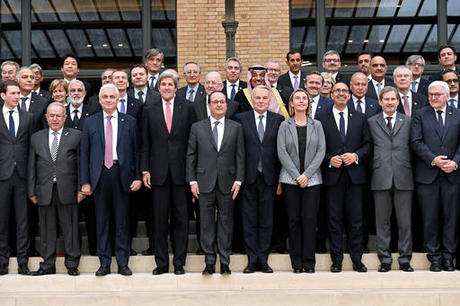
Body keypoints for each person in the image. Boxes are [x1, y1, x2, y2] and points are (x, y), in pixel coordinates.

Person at [80, 84, 142, 276]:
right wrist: (85, 181)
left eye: (112, 97)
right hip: (99, 177)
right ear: (99, 100)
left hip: (121, 174)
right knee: (102, 221)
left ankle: (123, 263)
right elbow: (84, 153)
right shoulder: (90, 122)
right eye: (104, 97)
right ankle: (104, 263)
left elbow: (137, 151)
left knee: (122, 221)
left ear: (117, 100)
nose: (108, 100)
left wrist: (138, 176)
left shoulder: (129, 121)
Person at [186, 91, 245, 275]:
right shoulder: (197, 127)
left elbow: (240, 156)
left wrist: (239, 180)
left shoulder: (236, 127)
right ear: (209, 105)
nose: (219, 105)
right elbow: (190, 155)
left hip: (228, 182)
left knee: (226, 222)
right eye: (215, 102)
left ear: (226, 105)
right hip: (203, 182)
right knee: (206, 223)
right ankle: (210, 261)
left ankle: (225, 261)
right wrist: (192, 181)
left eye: (222, 102)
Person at [141, 72, 192, 275]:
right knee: (159, 220)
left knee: (181, 220)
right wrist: (145, 169)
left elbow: (192, 142)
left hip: (181, 173)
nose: (167, 87)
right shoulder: (149, 109)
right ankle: (161, 264)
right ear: (159, 87)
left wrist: (192, 172)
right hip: (158, 173)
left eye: (170, 84)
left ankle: (179, 263)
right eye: (163, 84)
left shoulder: (187, 107)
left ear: (176, 87)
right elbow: (145, 142)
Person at [316, 82, 371, 273]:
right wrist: (330, 159)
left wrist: (356, 156)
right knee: (334, 220)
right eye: (337, 91)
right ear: (331, 95)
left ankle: (357, 259)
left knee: (356, 220)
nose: (341, 94)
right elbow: (316, 148)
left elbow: (368, 145)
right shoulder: (321, 119)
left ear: (349, 95)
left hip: (355, 177)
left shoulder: (361, 118)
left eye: (344, 91)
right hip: (332, 177)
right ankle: (337, 260)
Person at [28, 102, 83, 276]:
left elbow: (81, 164)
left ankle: (72, 264)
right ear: (46, 117)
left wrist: (81, 189)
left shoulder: (76, 136)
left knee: (71, 228)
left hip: (68, 189)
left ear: (65, 117)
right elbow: (31, 166)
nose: (55, 119)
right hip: (44, 190)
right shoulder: (36, 137)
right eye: (51, 115)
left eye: (58, 115)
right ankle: (47, 265)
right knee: (46, 230)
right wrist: (31, 190)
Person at [411, 81, 460, 272]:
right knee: (429, 218)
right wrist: (434, 160)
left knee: (451, 218)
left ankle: (449, 257)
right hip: (427, 176)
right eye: (431, 94)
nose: (432, 98)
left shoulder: (457, 115)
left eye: (437, 95)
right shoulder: (420, 115)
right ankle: (434, 258)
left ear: (447, 96)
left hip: (452, 176)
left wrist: (455, 162)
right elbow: (416, 141)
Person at [234, 86, 284, 274]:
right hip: (248, 178)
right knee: (248, 220)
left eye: (265, 98)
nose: (261, 101)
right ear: (252, 99)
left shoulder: (278, 120)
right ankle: (251, 259)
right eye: (258, 98)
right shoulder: (241, 119)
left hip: (270, 179)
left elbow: (280, 152)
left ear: (270, 100)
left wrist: (280, 179)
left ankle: (263, 259)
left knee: (266, 220)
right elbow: (237, 151)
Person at [277, 89, 325, 273]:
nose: (301, 100)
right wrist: (297, 175)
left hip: (312, 180)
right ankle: (296, 263)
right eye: (297, 98)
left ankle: (309, 262)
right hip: (290, 179)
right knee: (294, 220)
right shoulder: (284, 125)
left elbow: (321, 150)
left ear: (308, 103)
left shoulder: (317, 125)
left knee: (309, 219)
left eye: (304, 98)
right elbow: (281, 152)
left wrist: (307, 174)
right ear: (291, 103)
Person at [368, 86, 414, 273]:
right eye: (385, 99)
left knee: (405, 222)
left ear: (398, 101)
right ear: (380, 101)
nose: (389, 102)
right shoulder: (371, 122)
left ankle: (405, 259)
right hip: (380, 176)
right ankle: (385, 259)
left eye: (392, 99)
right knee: (382, 222)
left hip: (404, 175)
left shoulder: (409, 121)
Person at [0, 80, 35, 276]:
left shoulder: (28, 117)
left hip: (22, 176)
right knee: (2, 222)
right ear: (3, 95)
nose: (17, 96)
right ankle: (2, 262)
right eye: (13, 93)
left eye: (18, 93)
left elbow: (31, 148)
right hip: (2, 176)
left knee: (23, 222)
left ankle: (23, 262)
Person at [17, 67, 49, 131]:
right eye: (25, 77)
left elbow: (45, 129)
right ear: (16, 80)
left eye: (32, 77)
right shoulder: (7, 100)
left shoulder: (43, 102)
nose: (29, 80)